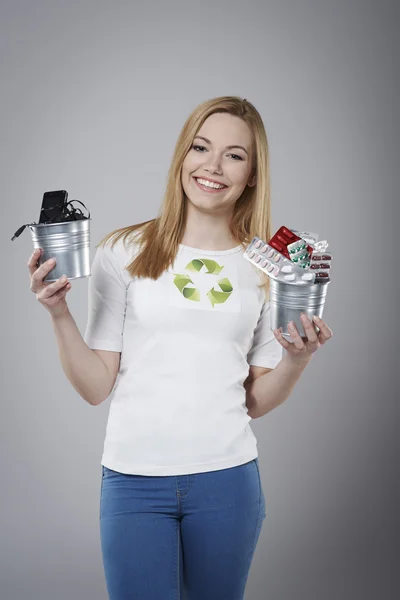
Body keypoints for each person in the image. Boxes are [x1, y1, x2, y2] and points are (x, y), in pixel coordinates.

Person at [28, 96, 333, 600]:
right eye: (200, 147)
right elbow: (95, 386)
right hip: (133, 480)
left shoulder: (269, 268)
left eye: (234, 155)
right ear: (182, 157)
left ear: (253, 174)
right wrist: (58, 313)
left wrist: (296, 360)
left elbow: (254, 401)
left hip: (227, 480)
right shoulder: (122, 251)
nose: (212, 167)